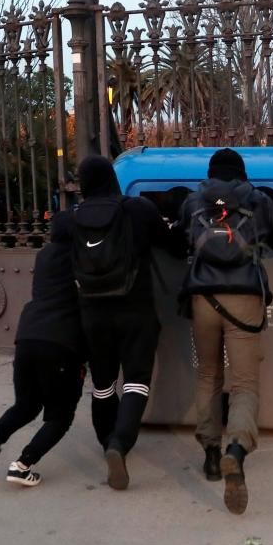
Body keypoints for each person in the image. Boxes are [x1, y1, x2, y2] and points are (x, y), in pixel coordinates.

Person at [174, 148, 273, 515]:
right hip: (245, 297)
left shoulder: (193, 200)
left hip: (202, 298)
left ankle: (211, 456)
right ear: (241, 173)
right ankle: (237, 450)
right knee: (245, 382)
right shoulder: (257, 199)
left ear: (212, 173)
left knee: (208, 374)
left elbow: (175, 238)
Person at [74, 155, 173, 491]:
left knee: (103, 385)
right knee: (136, 381)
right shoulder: (138, 209)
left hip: (92, 313)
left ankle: (106, 444)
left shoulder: (71, 219)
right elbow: (172, 243)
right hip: (135, 309)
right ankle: (120, 444)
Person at [0, 211, 85, 488]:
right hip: (59, 341)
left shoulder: (44, 256)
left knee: (27, 404)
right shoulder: (81, 256)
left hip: (27, 335)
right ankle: (23, 465)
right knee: (60, 416)